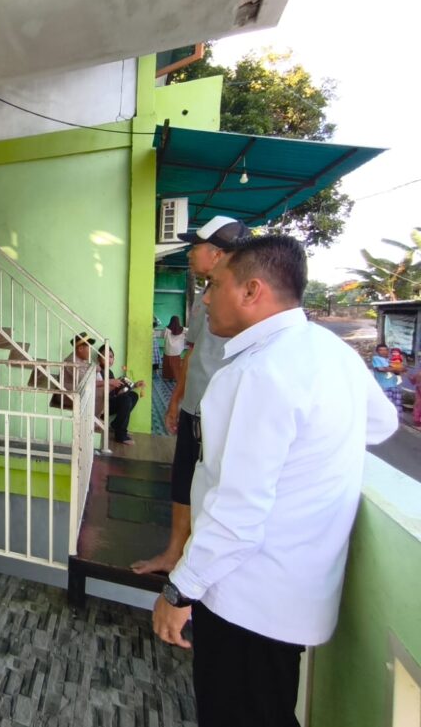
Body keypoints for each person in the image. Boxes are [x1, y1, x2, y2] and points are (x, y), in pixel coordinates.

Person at [152, 235, 398, 727]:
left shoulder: (261, 371)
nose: (205, 299)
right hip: (292, 592)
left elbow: (238, 512)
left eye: (214, 285)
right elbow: (381, 424)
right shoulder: (328, 350)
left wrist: (179, 592)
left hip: (246, 597)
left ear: (251, 291)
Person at [132, 215, 250, 575]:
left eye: (195, 246)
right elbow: (193, 352)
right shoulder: (205, 294)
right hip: (193, 408)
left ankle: (203, 567)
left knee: (215, 488)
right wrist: (176, 400)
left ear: (217, 253)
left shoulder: (246, 295)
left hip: (224, 414)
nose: (188, 252)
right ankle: (174, 554)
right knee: (183, 479)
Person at [96, 344, 144, 446]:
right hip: (101, 405)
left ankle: (116, 424)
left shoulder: (110, 372)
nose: (108, 359)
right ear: (98, 358)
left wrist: (134, 385)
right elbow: (96, 390)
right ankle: (120, 435)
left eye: (111, 356)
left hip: (110, 402)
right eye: (105, 356)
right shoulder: (97, 371)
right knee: (126, 400)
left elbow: (115, 392)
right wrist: (111, 384)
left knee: (133, 396)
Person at [372, 343, 402, 409]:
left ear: (388, 351)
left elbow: (401, 370)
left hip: (395, 386)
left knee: (397, 407)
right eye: (381, 350)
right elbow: (380, 369)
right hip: (384, 387)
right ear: (377, 351)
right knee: (386, 407)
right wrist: (396, 368)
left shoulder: (391, 359)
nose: (383, 352)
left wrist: (397, 369)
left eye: (385, 350)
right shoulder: (376, 358)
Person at [161, 315, 187, 381]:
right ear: (178, 321)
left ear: (171, 321)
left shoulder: (166, 329)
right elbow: (189, 333)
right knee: (176, 365)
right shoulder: (183, 329)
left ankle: (167, 377)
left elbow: (162, 336)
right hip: (177, 351)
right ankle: (176, 377)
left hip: (168, 350)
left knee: (167, 364)